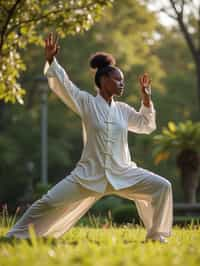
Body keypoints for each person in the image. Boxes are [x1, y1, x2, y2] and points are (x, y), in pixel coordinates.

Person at [6, 33, 173, 243]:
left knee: (162, 186)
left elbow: (146, 125)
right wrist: (51, 60)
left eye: (123, 81)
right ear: (103, 80)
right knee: (48, 201)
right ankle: (15, 235)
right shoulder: (86, 103)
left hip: (123, 172)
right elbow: (65, 86)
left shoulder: (122, 110)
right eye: (117, 79)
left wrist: (146, 100)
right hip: (88, 175)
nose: (122, 84)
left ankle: (156, 237)